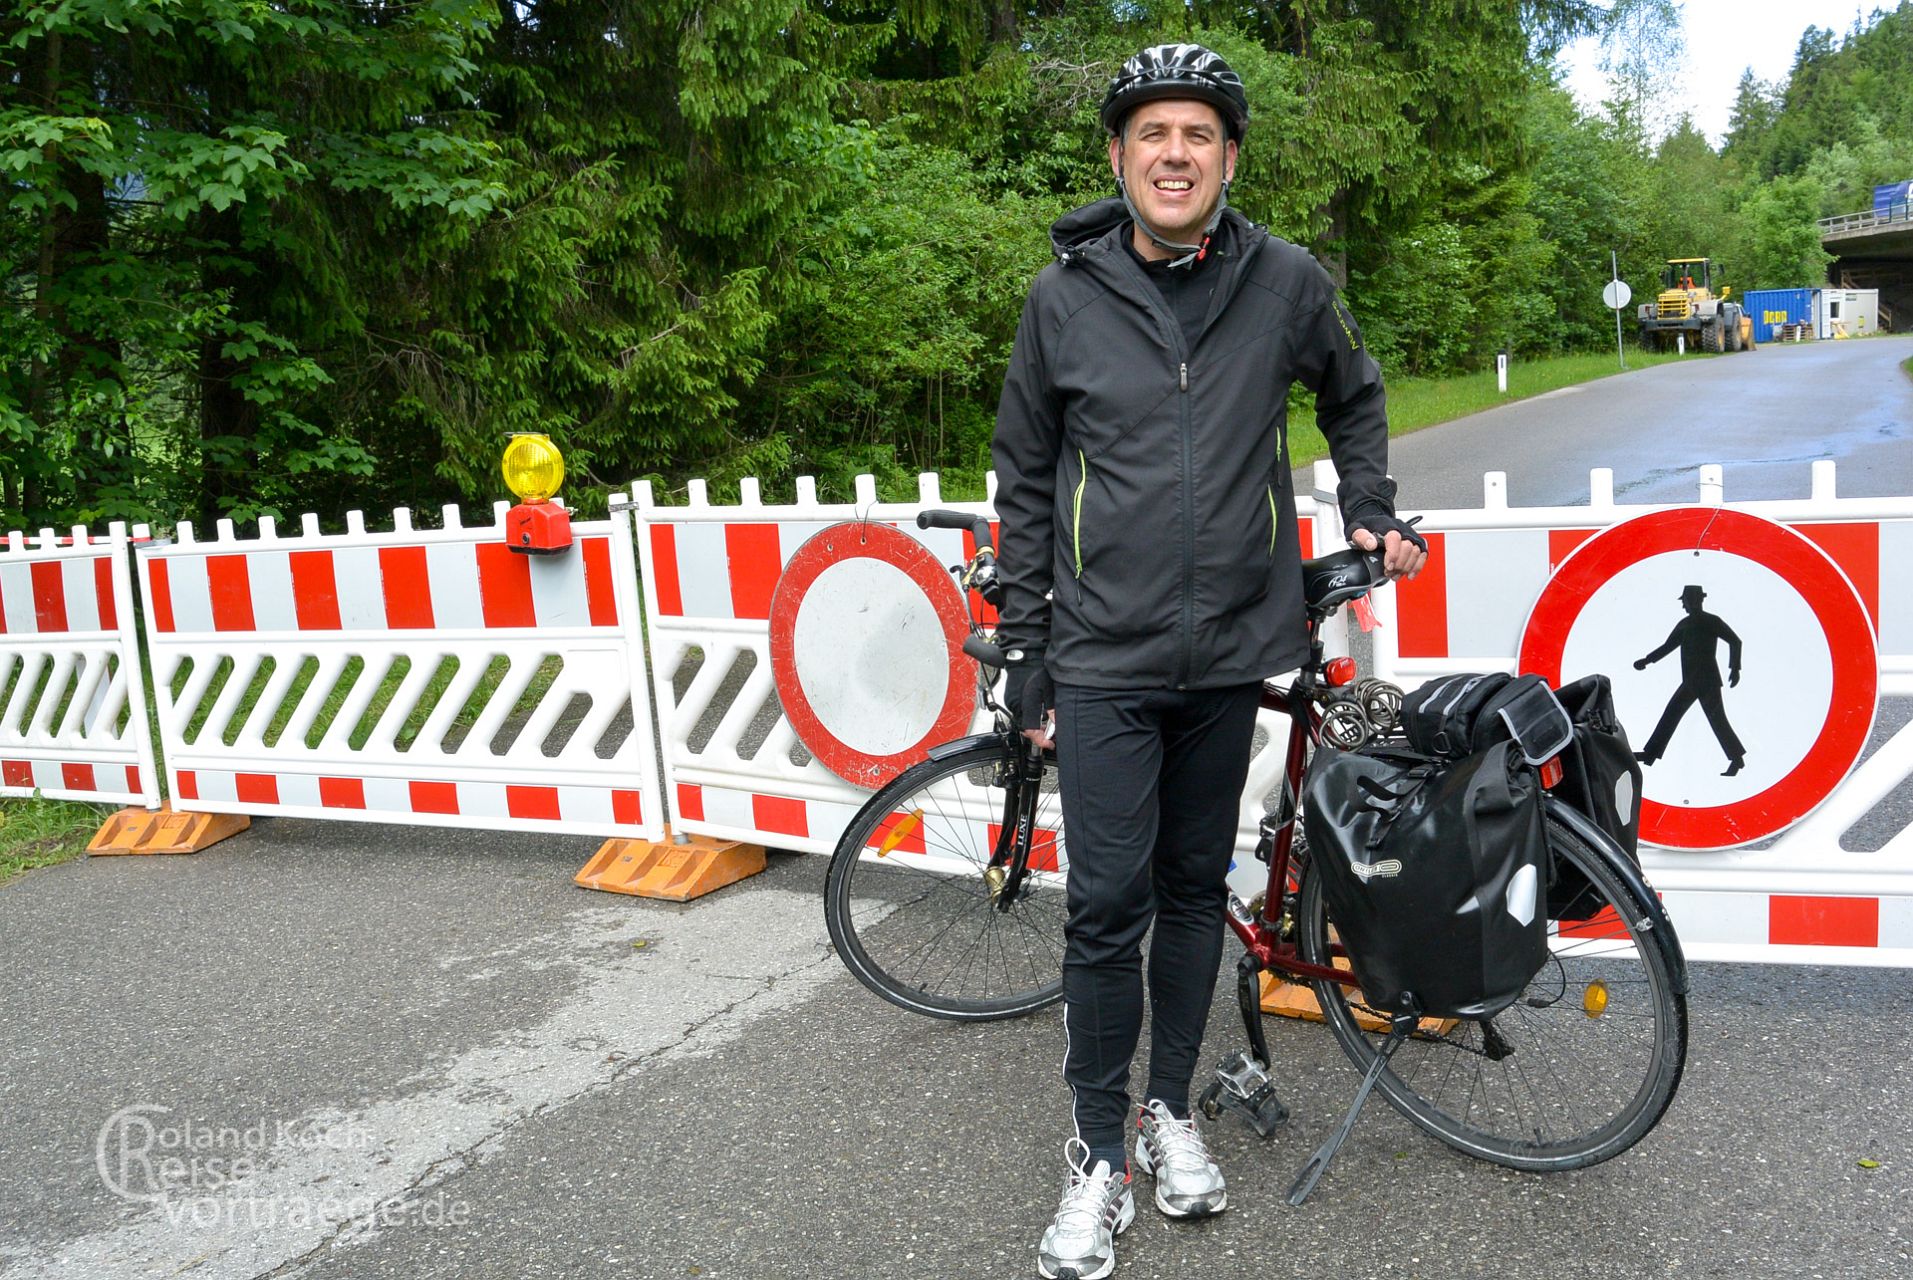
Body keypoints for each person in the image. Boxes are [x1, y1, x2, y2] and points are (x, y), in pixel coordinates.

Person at [988, 42, 1427, 1280]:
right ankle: (1093, 1154)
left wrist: (1366, 499)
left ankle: (1166, 1110)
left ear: (1226, 157)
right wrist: (1027, 643)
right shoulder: (1059, 298)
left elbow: (1353, 391)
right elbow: (1024, 476)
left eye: (1197, 135)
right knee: (1103, 904)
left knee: (1189, 893)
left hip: (1232, 644)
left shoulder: (1283, 281)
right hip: (1106, 653)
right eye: (1150, 134)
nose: (1172, 154)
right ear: (1119, 157)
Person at [1634, 584, 1746, 776]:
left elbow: (1735, 641)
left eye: (1685, 601)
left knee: (1717, 720)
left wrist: (1735, 668)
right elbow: (1668, 646)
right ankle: (1650, 754)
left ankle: (1736, 760)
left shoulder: (1712, 621)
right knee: (1672, 713)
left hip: (1708, 680)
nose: (1684, 605)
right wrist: (1647, 660)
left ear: (1694, 600)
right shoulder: (1684, 624)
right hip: (1691, 681)